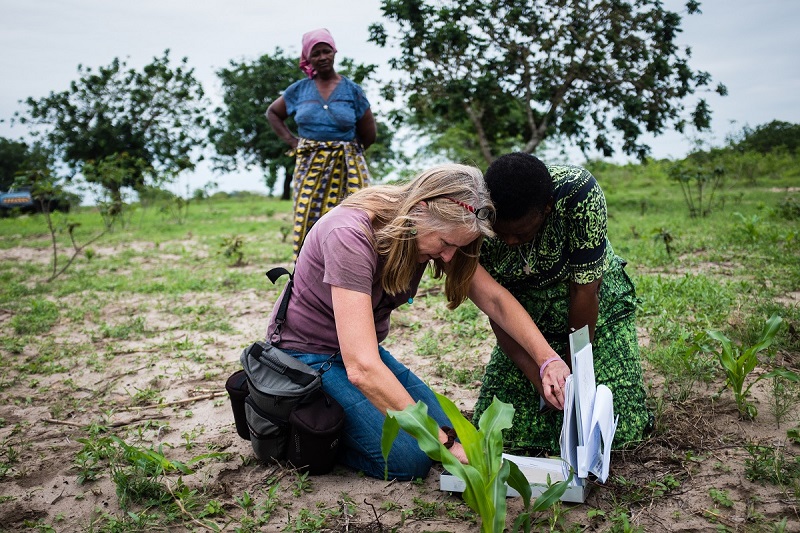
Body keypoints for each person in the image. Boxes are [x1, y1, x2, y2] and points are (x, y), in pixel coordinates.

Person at [265, 163, 570, 480]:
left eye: (459, 246)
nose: (449, 257)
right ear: (420, 210)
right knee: (411, 460)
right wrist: (444, 444)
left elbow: (495, 300)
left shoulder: (433, 230)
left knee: (457, 432)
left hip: (355, 351)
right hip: (306, 357)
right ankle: (309, 431)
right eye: (445, 243)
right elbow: (363, 368)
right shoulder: (350, 236)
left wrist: (547, 360)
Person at [472, 152, 651, 454]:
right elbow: (498, 308)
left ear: (546, 209)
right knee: (501, 431)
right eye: (503, 234)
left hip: (593, 311)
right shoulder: (477, 215)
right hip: (525, 320)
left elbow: (585, 292)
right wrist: (538, 373)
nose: (512, 242)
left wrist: (572, 374)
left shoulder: (578, 194)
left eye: (521, 232)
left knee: (616, 428)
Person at [266, 28, 377, 261]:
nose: (323, 57)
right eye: (316, 53)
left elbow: (369, 134)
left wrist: (348, 152)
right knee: (309, 218)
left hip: (347, 164)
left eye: (327, 51)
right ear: (307, 58)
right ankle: (309, 271)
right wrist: (293, 142)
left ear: (334, 52)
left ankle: (355, 266)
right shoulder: (298, 90)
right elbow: (273, 113)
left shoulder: (352, 91)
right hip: (311, 166)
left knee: (355, 218)